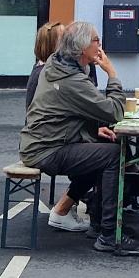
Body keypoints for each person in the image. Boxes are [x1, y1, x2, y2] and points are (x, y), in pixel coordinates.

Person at [18, 21, 139, 254]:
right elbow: (115, 111)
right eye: (96, 40)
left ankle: (98, 223)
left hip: (42, 142)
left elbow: (64, 113)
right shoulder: (71, 79)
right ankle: (109, 235)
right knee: (113, 155)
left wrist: (93, 131)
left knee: (106, 143)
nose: (100, 45)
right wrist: (112, 74)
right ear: (81, 47)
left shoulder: (58, 64)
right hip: (47, 150)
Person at [23, 20, 90, 232]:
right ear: (54, 46)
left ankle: (130, 181)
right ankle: (73, 206)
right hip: (50, 141)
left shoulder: (57, 70)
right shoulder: (45, 74)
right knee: (104, 153)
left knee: (103, 143)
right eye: (64, 38)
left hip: (56, 136)